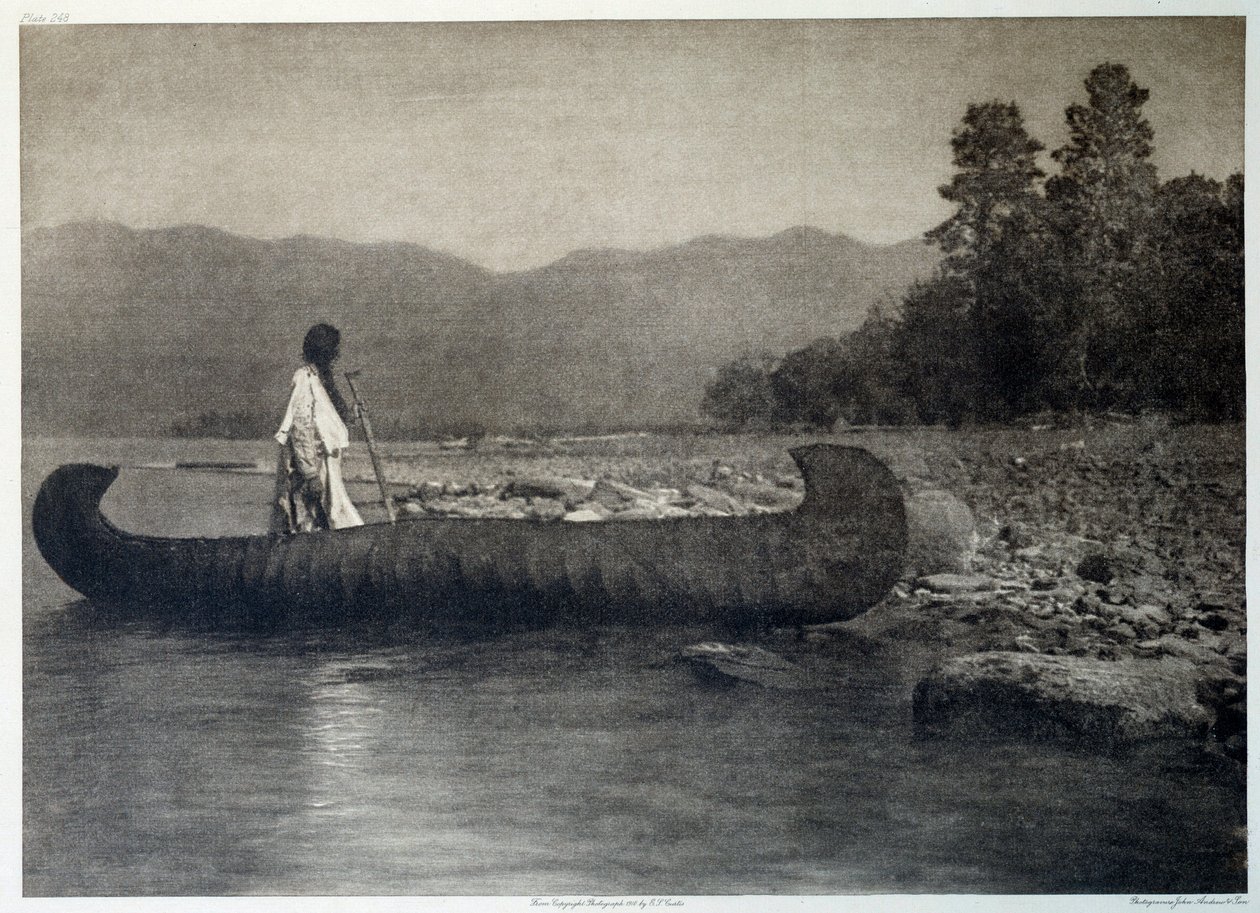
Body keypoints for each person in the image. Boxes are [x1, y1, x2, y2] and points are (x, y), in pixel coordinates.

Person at [271, 323, 365, 534]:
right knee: (311, 520)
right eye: (334, 351)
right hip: (310, 466)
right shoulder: (304, 379)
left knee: (333, 517)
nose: (337, 357)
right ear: (324, 352)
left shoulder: (322, 380)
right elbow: (300, 429)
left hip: (326, 466)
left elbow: (330, 421)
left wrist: (353, 413)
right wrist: (311, 474)